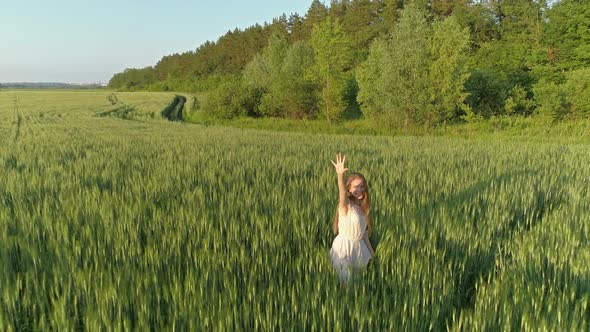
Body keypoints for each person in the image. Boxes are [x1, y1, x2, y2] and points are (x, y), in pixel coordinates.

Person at [329, 153, 375, 282]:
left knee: (356, 286)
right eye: (356, 187)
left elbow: (364, 235)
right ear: (349, 189)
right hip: (343, 248)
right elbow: (342, 193)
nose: (360, 189)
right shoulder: (345, 206)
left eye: (362, 186)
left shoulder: (363, 209)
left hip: (359, 250)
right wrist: (340, 175)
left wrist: (373, 255)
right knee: (345, 282)